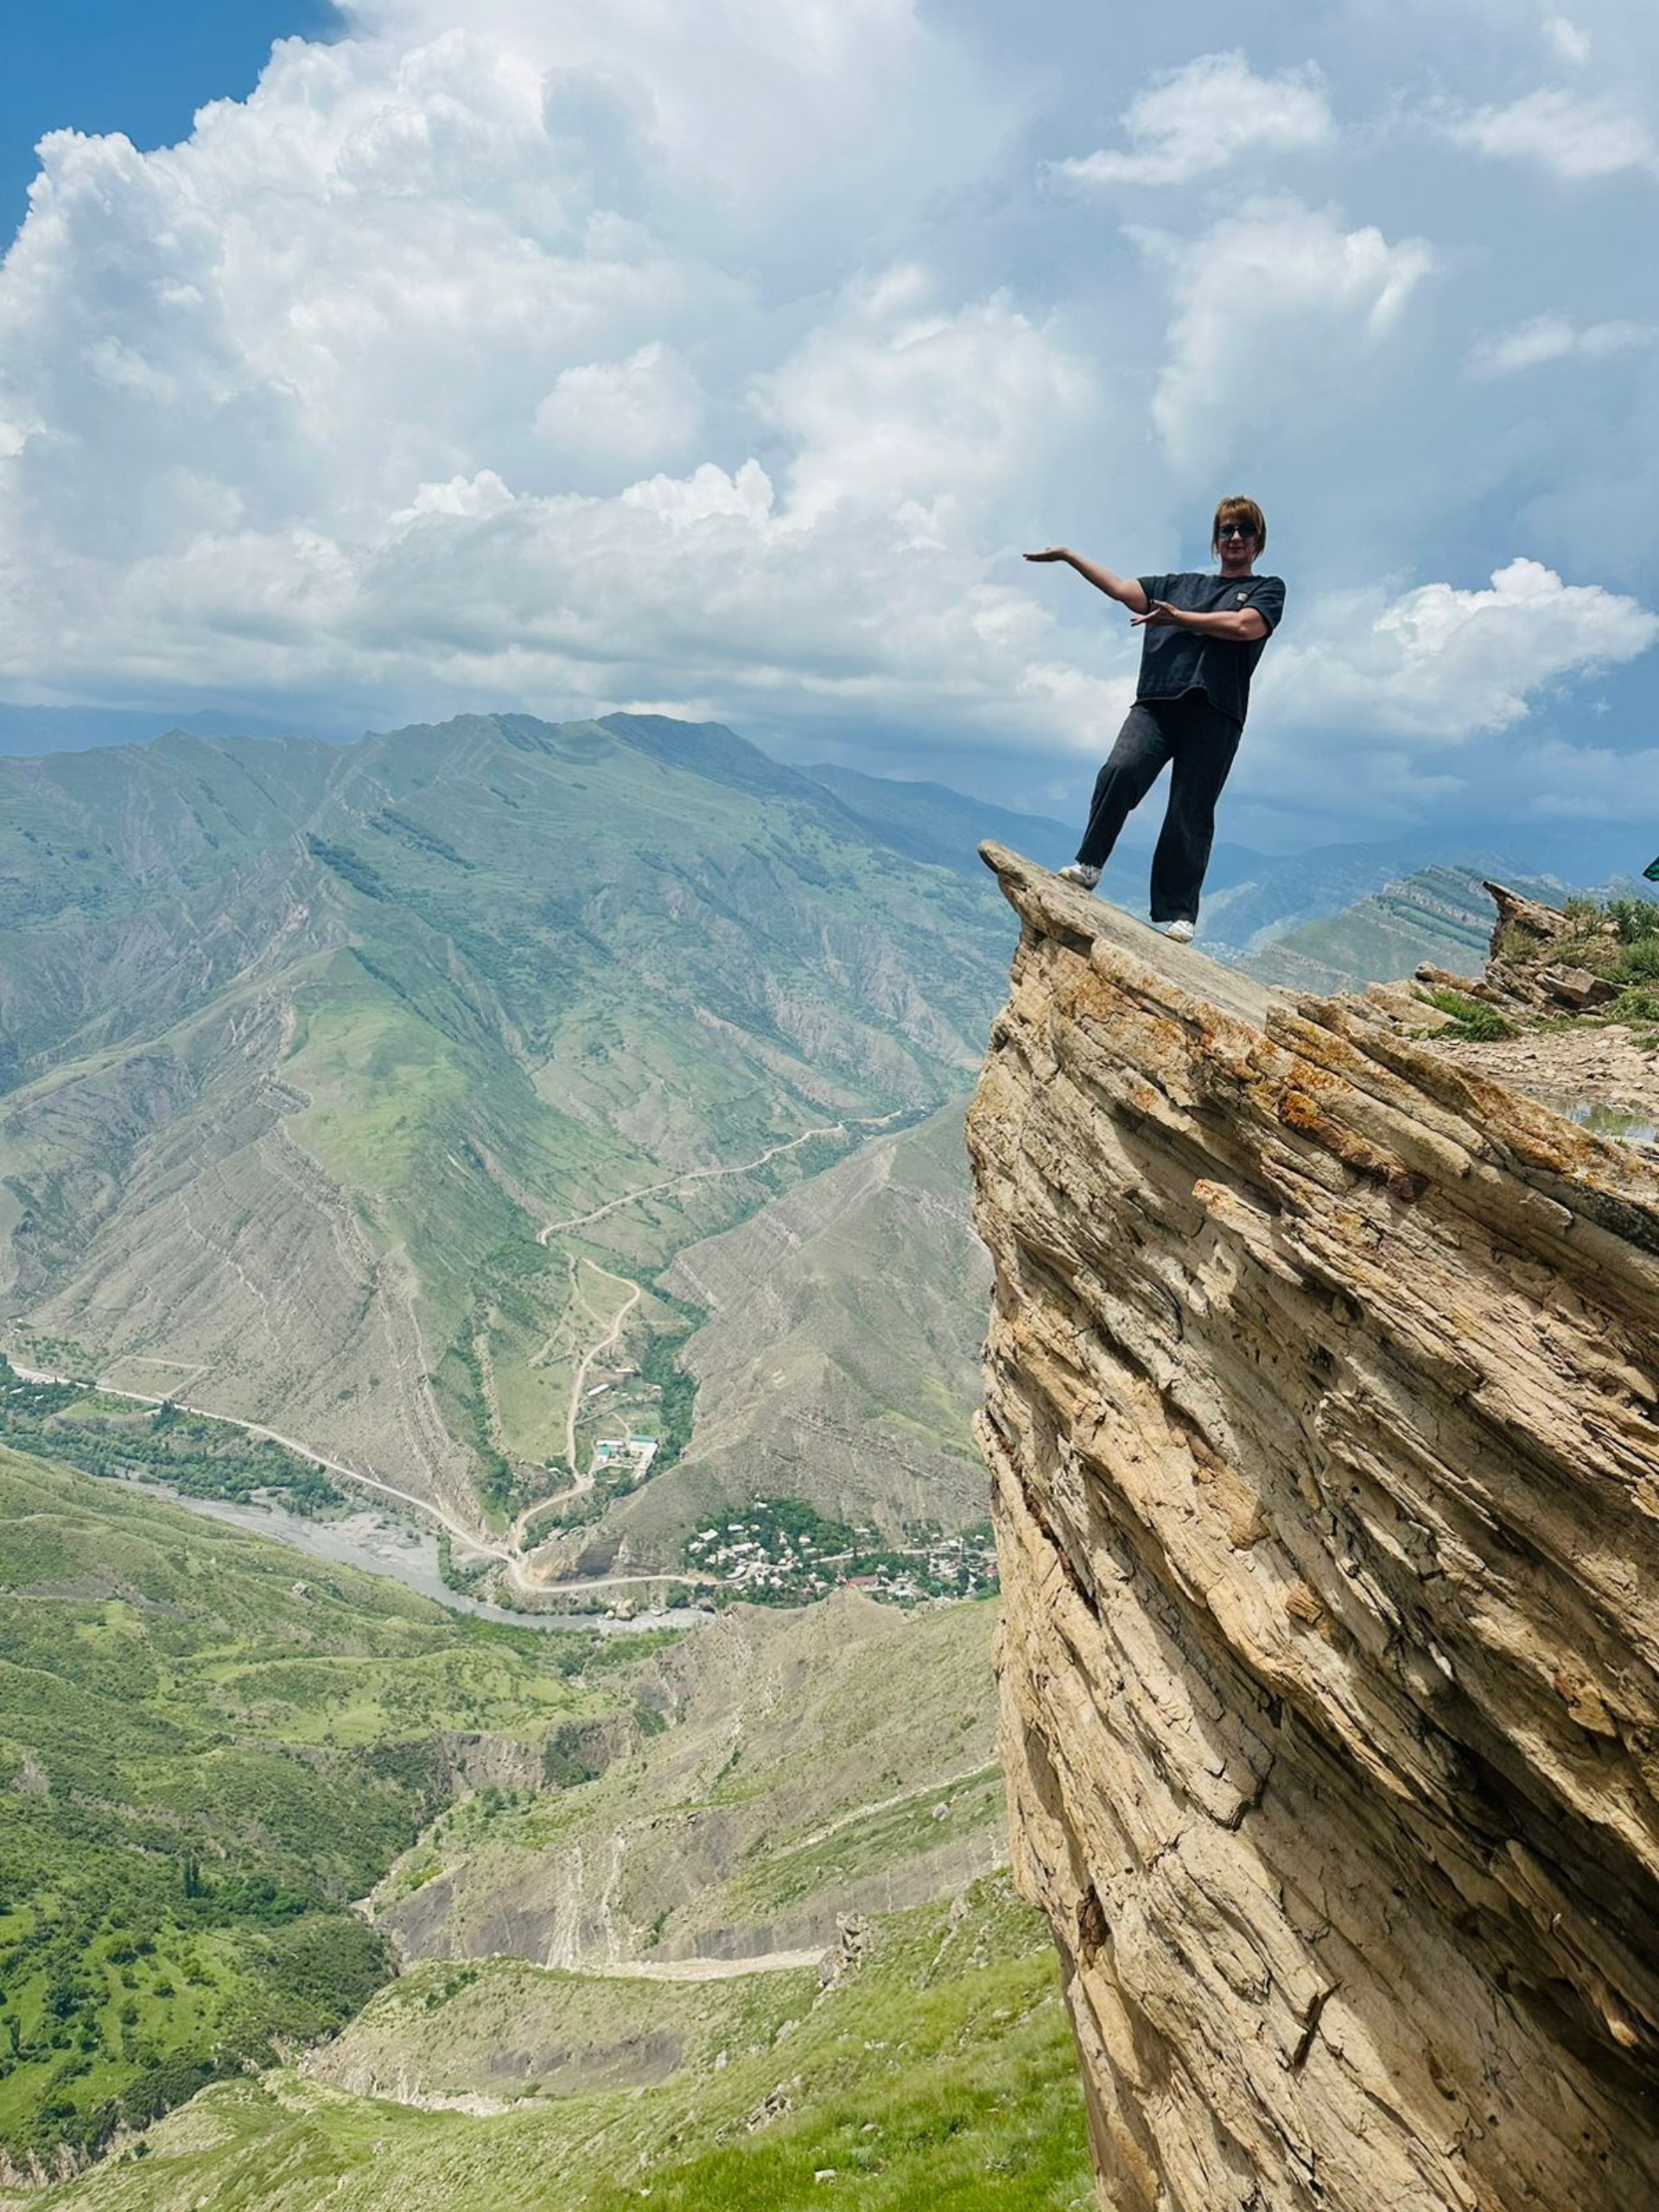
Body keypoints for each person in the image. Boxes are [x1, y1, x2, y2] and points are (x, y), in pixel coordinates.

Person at [1026, 497, 1284, 942]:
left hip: (1216, 712)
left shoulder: (1268, 588)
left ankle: (1179, 911)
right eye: (1227, 530)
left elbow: (1245, 627)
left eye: (1245, 531)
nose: (1235, 538)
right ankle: (1089, 864)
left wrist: (1179, 618)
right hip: (1157, 702)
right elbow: (1122, 588)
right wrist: (1070, 556)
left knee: (1191, 806)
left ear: (1258, 541)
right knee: (1119, 770)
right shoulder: (1177, 583)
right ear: (1215, 539)